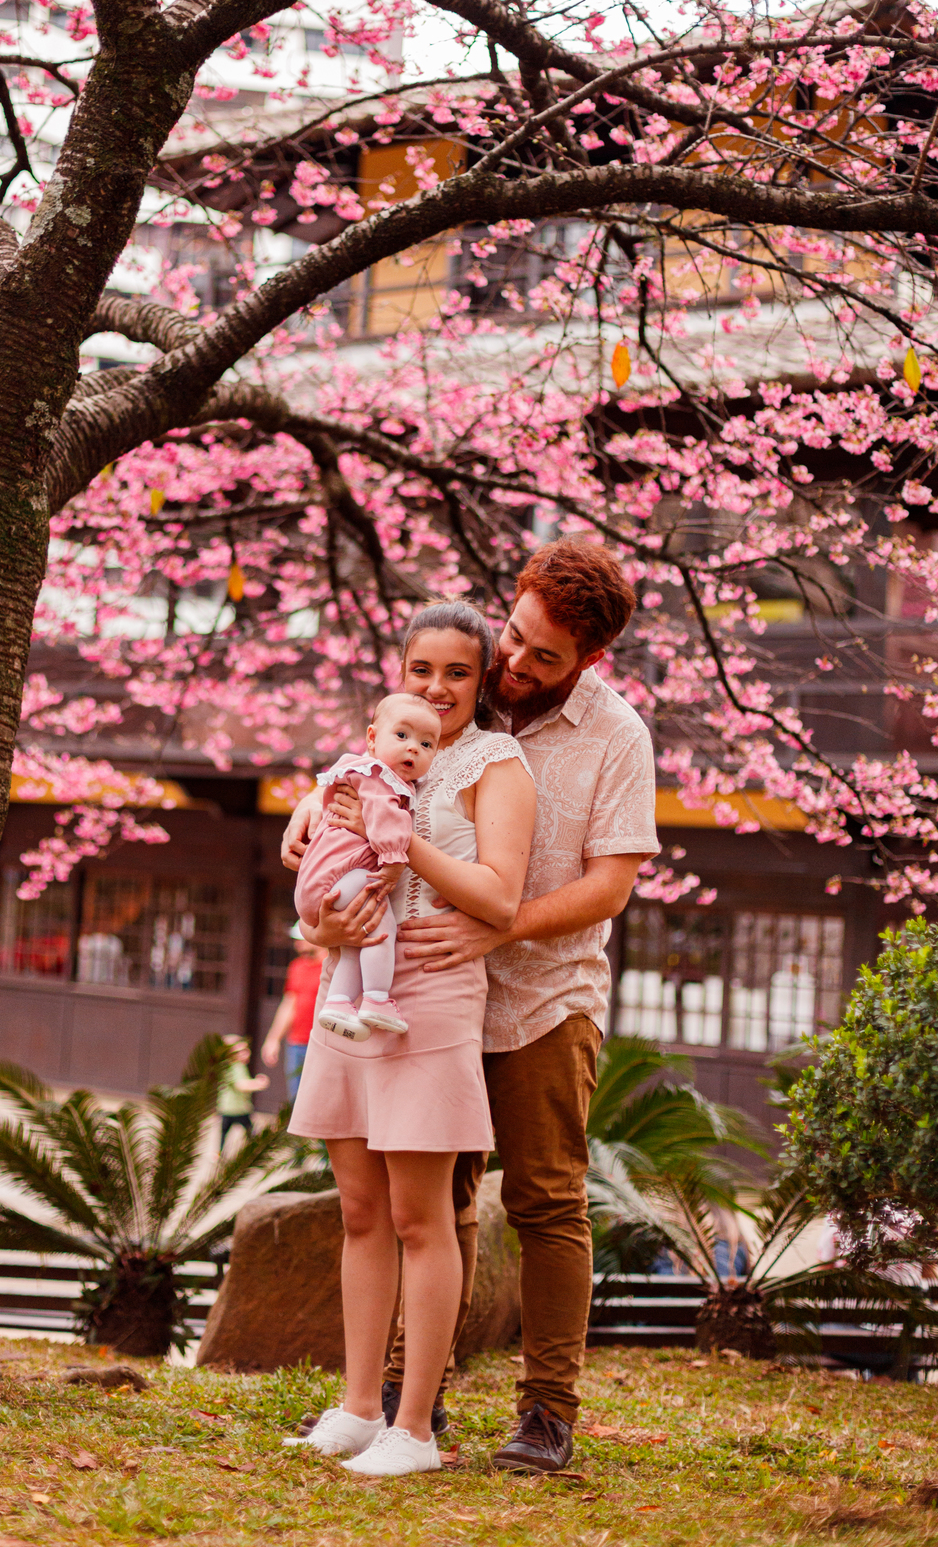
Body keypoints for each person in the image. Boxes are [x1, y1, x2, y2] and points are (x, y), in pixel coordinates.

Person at [283, 538, 659, 1474]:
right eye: (516, 639)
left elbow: (610, 885)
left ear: (589, 661)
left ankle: (545, 1411)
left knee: (542, 1200)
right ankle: (412, 1398)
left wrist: (501, 925)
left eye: (546, 658)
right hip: (423, 993)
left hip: (539, 998)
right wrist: (311, 815)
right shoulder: (459, 696)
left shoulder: (615, 739)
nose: (518, 666)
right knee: (427, 1204)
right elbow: (375, 767)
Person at [283, 603, 536, 1477]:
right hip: (351, 987)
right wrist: (316, 824)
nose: (438, 687)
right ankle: (357, 1407)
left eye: (458, 672)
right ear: (399, 674)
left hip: (430, 999)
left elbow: (500, 899)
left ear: (483, 680)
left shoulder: (494, 765)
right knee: (358, 1211)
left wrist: (404, 844)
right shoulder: (367, 757)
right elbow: (320, 849)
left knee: (420, 1217)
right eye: (421, 669)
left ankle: (415, 1427)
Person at [295, 693, 441, 1040]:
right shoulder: (379, 777)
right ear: (373, 739)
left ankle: (339, 1004)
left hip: (322, 885)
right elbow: (386, 822)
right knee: (380, 930)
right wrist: (392, 862)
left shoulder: (356, 772)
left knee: (353, 946)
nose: (413, 749)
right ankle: (376, 998)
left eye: (426, 744)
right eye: (402, 736)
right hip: (346, 877)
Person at [260, 926, 327, 1100]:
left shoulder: (332, 966)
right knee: (295, 1099)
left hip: (322, 1043)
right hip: (296, 1044)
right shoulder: (296, 967)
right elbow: (289, 1003)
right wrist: (273, 1039)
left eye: (301, 939)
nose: (297, 945)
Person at [216, 1034, 270, 1153]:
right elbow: (240, 1085)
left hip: (236, 1107)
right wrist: (257, 1084)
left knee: (233, 1131)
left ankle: (221, 1152)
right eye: (241, 1051)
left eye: (246, 1050)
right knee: (237, 1131)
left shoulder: (238, 1066)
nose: (246, 1053)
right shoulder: (234, 1067)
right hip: (234, 1108)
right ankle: (222, 1152)